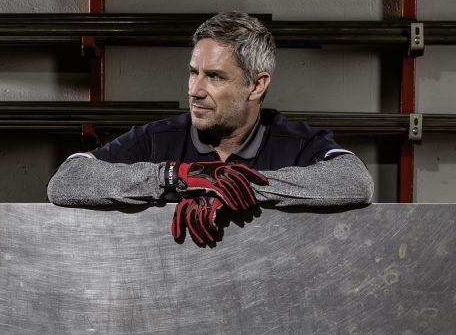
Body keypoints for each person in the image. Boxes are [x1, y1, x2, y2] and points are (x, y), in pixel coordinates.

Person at [47, 12, 373, 244]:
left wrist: (238, 186)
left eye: (214, 76)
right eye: (194, 72)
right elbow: (67, 181)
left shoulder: (296, 141)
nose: (195, 90)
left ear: (256, 85)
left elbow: (354, 181)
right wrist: (176, 177)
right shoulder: (158, 139)